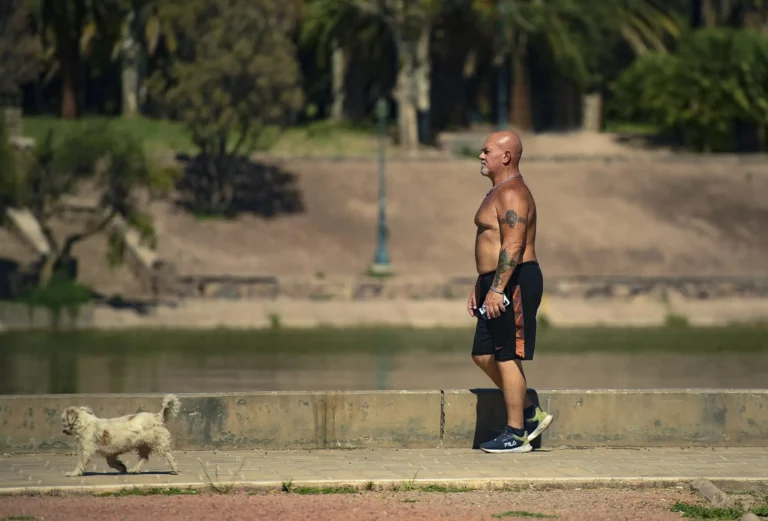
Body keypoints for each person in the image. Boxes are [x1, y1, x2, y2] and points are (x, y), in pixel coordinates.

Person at [466, 130, 554, 453]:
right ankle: (530, 410)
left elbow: (513, 245)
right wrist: (482, 286)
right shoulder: (499, 192)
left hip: (514, 280)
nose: (480, 155)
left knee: (507, 355)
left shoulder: (513, 194)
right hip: (495, 283)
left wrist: (498, 288)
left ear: (505, 156)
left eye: (486, 150)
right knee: (483, 354)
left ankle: (516, 433)